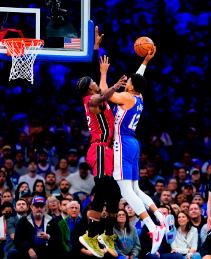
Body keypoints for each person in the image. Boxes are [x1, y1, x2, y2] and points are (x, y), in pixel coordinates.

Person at [99, 48, 173, 255]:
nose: (128, 80)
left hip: (122, 143)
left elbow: (105, 92)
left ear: (131, 86)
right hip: (133, 143)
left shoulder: (126, 97)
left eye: (130, 80)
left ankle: (152, 228)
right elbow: (139, 77)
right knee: (136, 190)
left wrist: (104, 72)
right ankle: (161, 218)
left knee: (125, 191)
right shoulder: (138, 97)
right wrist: (146, 62)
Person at [76, 26, 126, 258]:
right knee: (105, 190)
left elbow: (92, 76)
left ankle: (105, 234)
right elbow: (100, 93)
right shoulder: (91, 99)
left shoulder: (94, 93)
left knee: (114, 193)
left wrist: (95, 48)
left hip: (108, 150)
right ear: (90, 88)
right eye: (94, 82)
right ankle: (91, 235)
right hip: (99, 149)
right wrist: (114, 86)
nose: (98, 82)